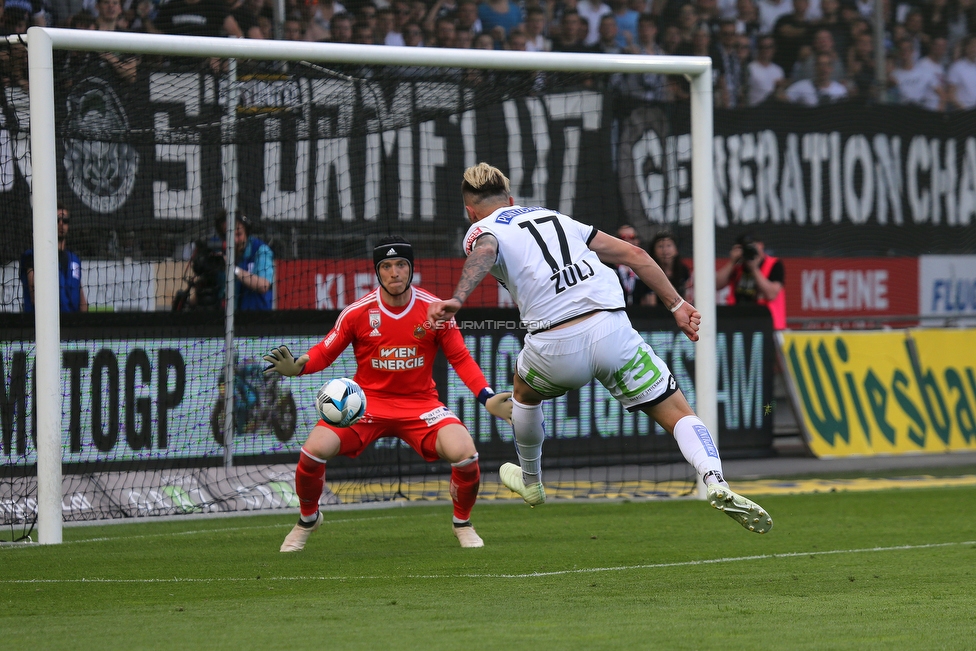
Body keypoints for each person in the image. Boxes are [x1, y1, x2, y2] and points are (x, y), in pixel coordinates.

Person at [427, 163, 773, 535]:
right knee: (677, 411)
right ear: (511, 199)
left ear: (470, 210)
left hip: (554, 341)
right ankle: (715, 478)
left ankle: (531, 479)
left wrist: (458, 297)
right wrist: (677, 306)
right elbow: (635, 256)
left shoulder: (482, 229)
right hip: (612, 329)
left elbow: (486, 249)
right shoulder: (556, 217)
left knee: (523, 394)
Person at [263, 237, 514, 551]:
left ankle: (462, 522)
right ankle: (308, 518)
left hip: (421, 405)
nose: (394, 272)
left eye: (400, 265)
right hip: (364, 406)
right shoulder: (357, 313)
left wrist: (486, 396)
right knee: (313, 451)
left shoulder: (435, 310)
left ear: (410, 269)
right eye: (385, 266)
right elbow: (325, 352)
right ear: (377, 271)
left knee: (466, 453)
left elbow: (460, 358)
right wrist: (299, 367)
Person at [20, 203, 88, 313]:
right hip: (43, 324)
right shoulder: (33, 257)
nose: (61, 224)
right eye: (57, 220)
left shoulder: (74, 259)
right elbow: (35, 295)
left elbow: (81, 297)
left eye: (65, 221)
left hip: (73, 324)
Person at [715, 233, 786, 330]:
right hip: (738, 323)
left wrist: (754, 269)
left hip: (767, 324)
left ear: (761, 245)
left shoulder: (774, 264)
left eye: (752, 246)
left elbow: (771, 294)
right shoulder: (738, 266)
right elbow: (716, 285)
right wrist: (732, 262)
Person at [646, 230, 693, 307]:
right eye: (660, 246)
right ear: (654, 251)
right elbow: (650, 301)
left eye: (669, 246)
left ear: (676, 250)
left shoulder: (683, 271)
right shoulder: (650, 272)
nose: (665, 251)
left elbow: (687, 296)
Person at [611, 225, 651, 306]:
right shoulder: (607, 267)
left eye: (631, 237)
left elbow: (650, 300)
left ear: (637, 240)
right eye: (622, 237)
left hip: (639, 316)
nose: (627, 240)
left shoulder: (645, 267)